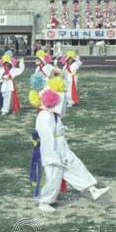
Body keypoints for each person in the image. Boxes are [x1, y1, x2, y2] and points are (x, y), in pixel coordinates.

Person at [31, 78, 108, 212]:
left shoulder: (52, 114)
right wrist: (52, 156)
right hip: (52, 149)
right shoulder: (45, 116)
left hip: (61, 146)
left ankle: (92, 189)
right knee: (54, 176)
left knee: (76, 165)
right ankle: (44, 202)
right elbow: (47, 137)